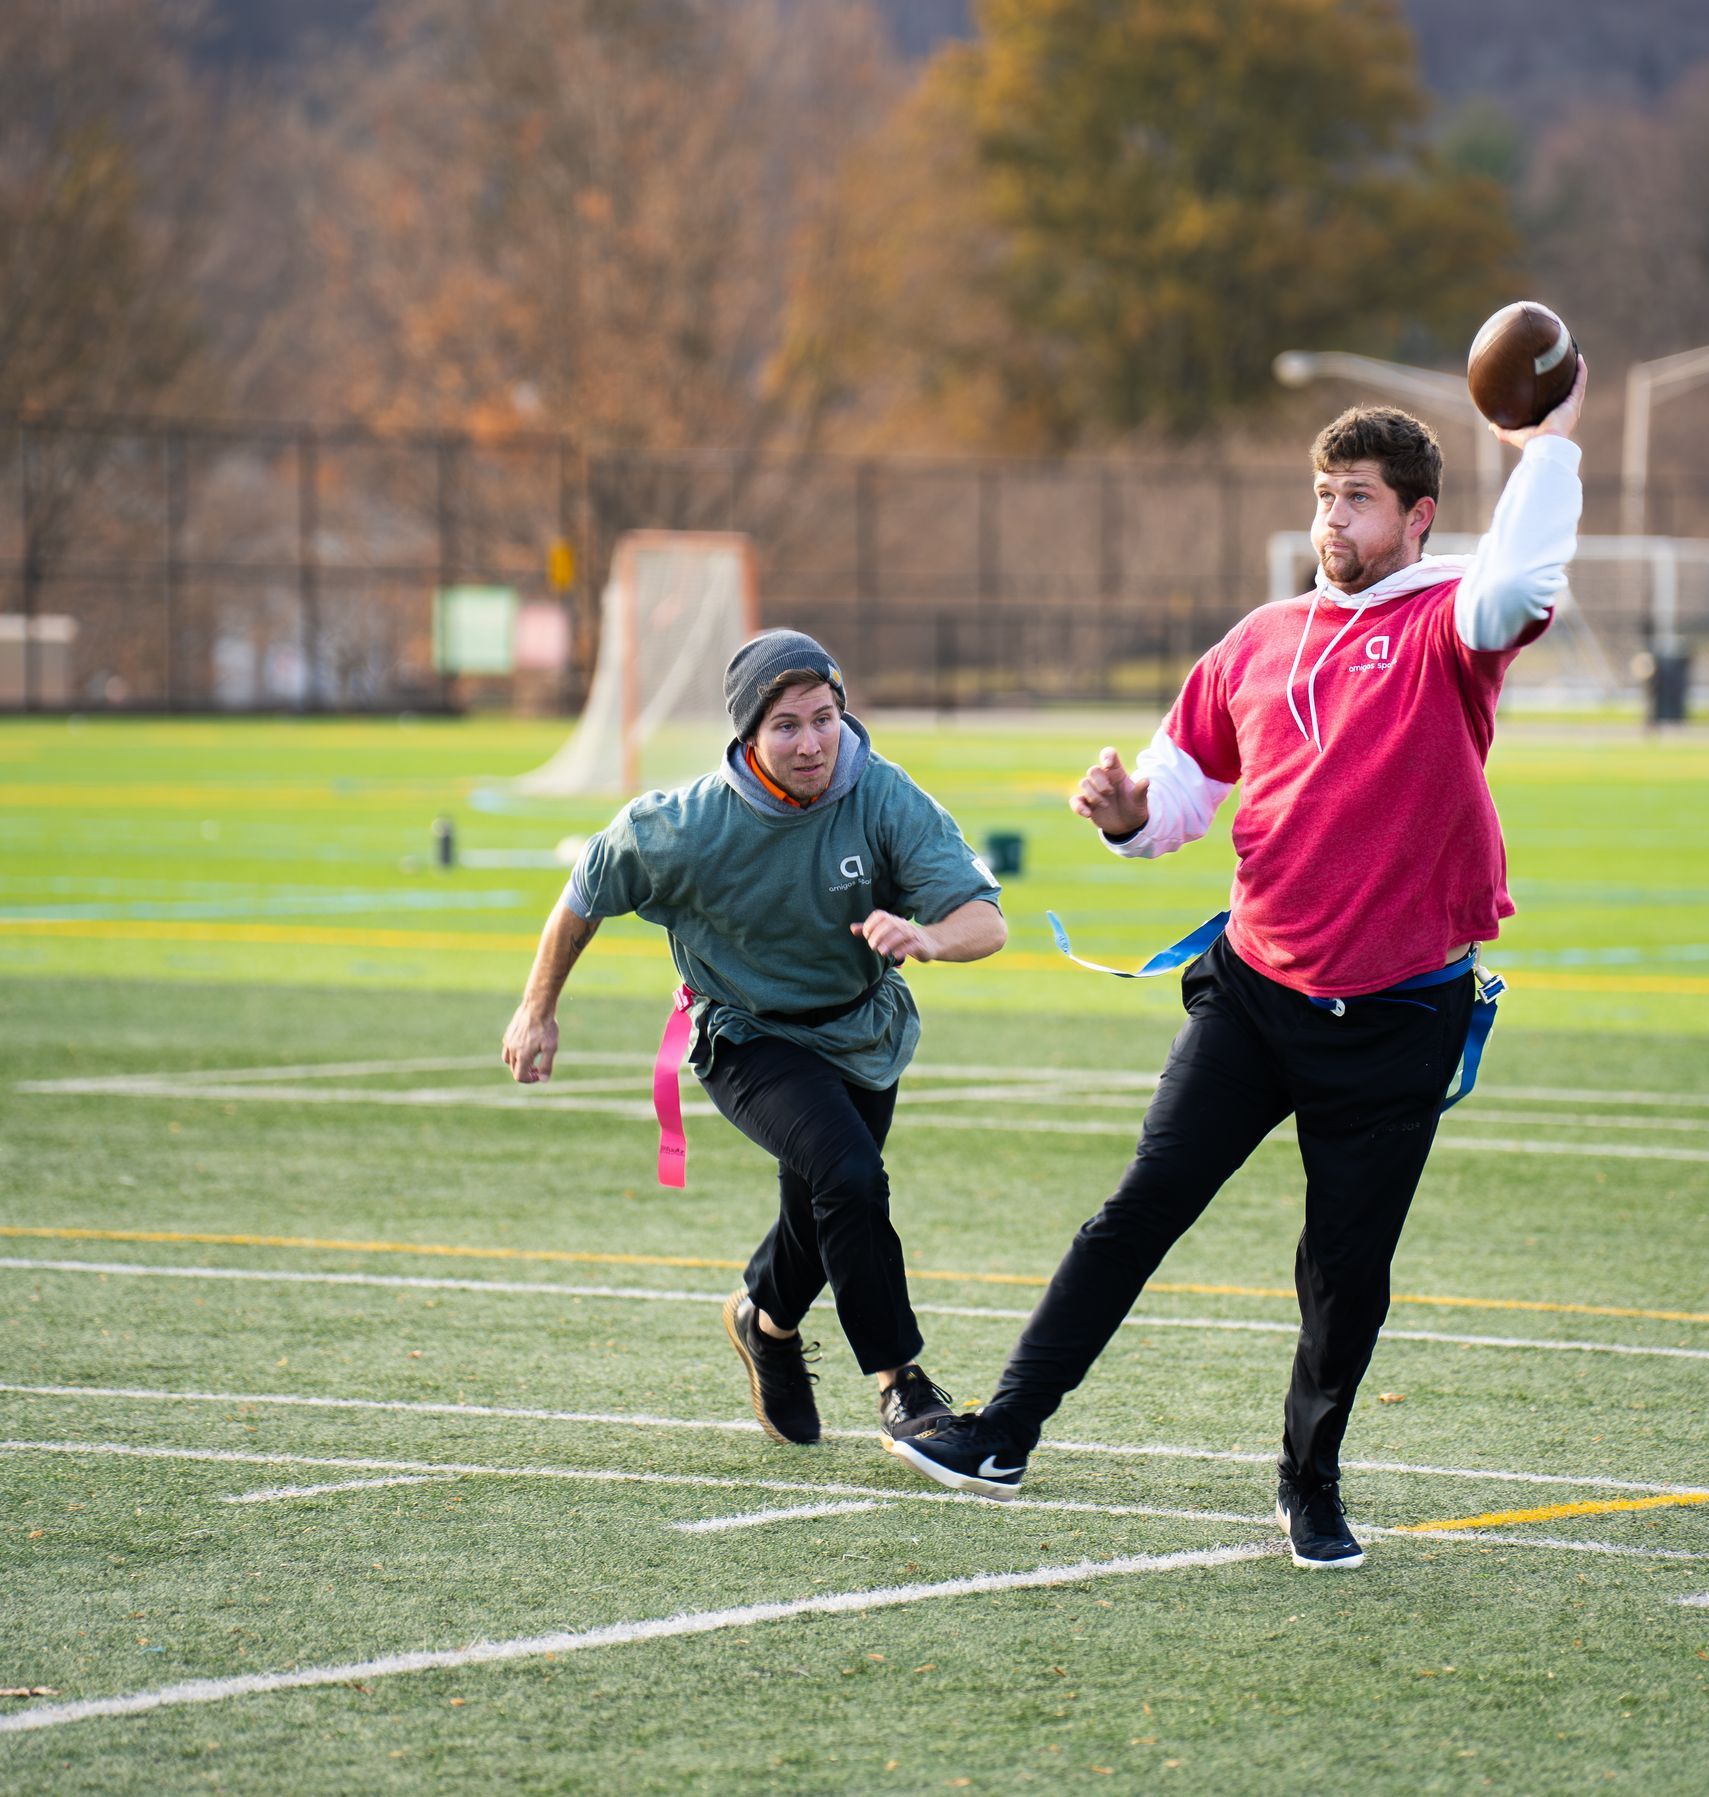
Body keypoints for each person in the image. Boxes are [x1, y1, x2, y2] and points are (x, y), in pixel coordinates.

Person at [890, 363, 1588, 1568]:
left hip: (1400, 1014)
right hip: (1256, 994)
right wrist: (1125, 813)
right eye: (1323, 495)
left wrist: (1550, 443)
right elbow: (1178, 794)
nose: (1333, 519)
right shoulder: (1259, 640)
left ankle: (1309, 1483)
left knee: (1343, 1273)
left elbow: (1524, 580)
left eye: (1359, 498)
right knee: (1137, 1210)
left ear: (1417, 516)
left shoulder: (1450, 621)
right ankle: (1001, 1434)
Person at [502, 628, 1007, 1449]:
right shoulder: (681, 825)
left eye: (824, 718)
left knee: (820, 1203)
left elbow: (985, 920)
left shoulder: (883, 794)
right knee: (850, 1173)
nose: (812, 743)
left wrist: (929, 937)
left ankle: (764, 1321)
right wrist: (537, 1008)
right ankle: (901, 1385)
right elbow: (584, 893)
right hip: (746, 1034)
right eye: (786, 725)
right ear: (747, 733)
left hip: (862, 1029)